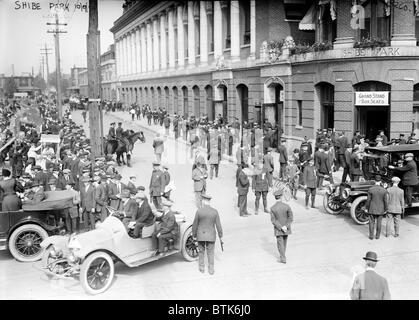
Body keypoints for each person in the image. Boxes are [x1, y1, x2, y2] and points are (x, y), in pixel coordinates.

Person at [192, 194, 223, 275]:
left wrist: (194, 235)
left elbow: (195, 224)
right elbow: (218, 225)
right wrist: (220, 236)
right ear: (209, 201)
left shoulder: (199, 211)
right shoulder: (214, 211)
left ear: (203, 201)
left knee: (201, 251)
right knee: (211, 252)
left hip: (201, 235)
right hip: (211, 235)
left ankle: (201, 267)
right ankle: (211, 269)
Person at [270, 188, 293, 264]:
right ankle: (282, 256)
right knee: (284, 243)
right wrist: (286, 226)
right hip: (287, 228)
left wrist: (281, 227)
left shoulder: (272, 208)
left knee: (280, 244)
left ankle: (283, 258)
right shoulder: (287, 206)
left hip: (278, 229)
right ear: (281, 196)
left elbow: (273, 220)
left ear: (275, 197)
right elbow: (290, 218)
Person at [366, 175, 388, 240]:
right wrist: (386, 209)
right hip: (381, 209)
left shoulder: (370, 189)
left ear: (374, 181)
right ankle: (377, 236)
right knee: (379, 223)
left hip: (372, 209)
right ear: (380, 181)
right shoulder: (384, 190)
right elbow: (385, 201)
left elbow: (368, 200)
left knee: (371, 223)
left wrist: (366, 208)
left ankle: (371, 236)